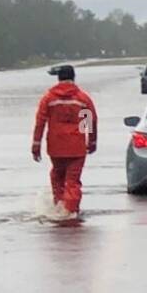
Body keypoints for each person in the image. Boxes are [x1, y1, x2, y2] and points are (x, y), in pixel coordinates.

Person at [32, 64, 97, 220]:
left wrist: (36, 144)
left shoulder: (49, 98)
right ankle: (71, 211)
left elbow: (40, 121)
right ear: (73, 77)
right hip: (77, 146)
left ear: (58, 78)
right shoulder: (82, 98)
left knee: (57, 176)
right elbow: (89, 122)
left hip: (56, 146)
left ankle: (59, 206)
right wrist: (91, 141)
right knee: (72, 181)